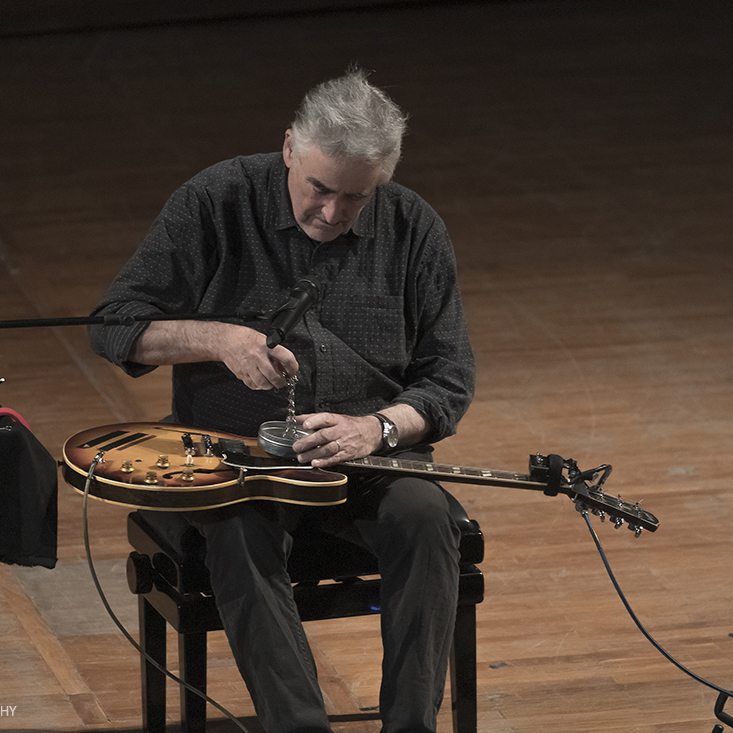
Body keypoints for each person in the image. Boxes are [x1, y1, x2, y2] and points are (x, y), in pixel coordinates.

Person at [90, 68, 475, 733]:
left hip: (370, 460)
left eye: (354, 198)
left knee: (424, 515)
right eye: (319, 188)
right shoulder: (214, 200)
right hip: (237, 462)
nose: (331, 212)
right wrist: (216, 337)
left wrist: (378, 428)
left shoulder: (414, 227)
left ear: (382, 178)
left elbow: (448, 380)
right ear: (290, 147)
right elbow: (113, 324)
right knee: (237, 533)